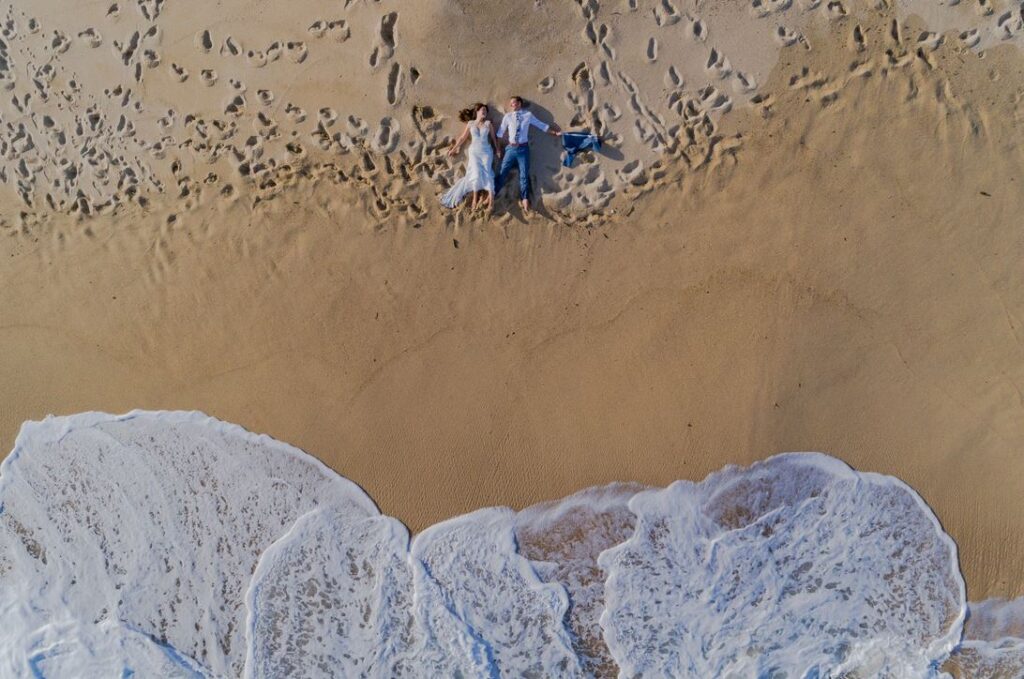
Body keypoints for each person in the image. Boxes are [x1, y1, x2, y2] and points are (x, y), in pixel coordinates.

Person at [495, 96, 561, 214]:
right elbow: (500, 133)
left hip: (523, 149)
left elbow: (542, 126)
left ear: (519, 103)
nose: (512, 105)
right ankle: (494, 192)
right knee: (503, 171)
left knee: (524, 174)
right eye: (511, 103)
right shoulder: (508, 117)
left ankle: (525, 198)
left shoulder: (527, 115)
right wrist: (499, 149)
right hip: (510, 149)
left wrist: (554, 132)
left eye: (514, 102)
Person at [441, 103, 499, 213]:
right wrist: (454, 148)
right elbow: (463, 137)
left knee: (487, 172)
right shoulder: (471, 123)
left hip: (486, 151)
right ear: (477, 112)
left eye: (485, 111)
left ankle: (491, 201)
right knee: (476, 173)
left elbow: (494, 138)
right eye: (482, 110)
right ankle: (475, 199)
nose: (484, 112)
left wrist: (498, 149)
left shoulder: (488, 124)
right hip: (474, 152)